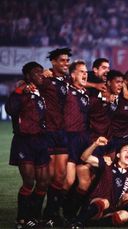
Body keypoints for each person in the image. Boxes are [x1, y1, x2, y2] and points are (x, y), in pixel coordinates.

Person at [6, 62, 49, 228]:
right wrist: (19, 91)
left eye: (41, 72)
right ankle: (21, 219)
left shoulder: (41, 92)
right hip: (24, 142)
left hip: (41, 141)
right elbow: (10, 109)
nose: (40, 75)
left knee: (44, 182)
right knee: (29, 182)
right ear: (28, 76)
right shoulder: (20, 92)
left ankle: (35, 217)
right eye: (36, 72)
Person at [70, 137, 128, 228]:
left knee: (125, 215)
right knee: (105, 202)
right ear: (118, 155)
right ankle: (78, 222)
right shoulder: (108, 165)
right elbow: (84, 158)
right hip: (95, 204)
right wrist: (95, 144)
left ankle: (92, 224)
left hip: (110, 211)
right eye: (126, 150)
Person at [40, 48, 72, 226]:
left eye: (67, 60)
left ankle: (52, 214)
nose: (66, 63)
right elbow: (26, 82)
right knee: (48, 177)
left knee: (60, 176)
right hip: (48, 132)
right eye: (62, 60)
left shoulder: (67, 80)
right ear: (53, 62)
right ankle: (37, 215)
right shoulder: (45, 79)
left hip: (63, 132)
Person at [61, 60, 90, 221]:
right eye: (81, 71)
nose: (85, 74)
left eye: (86, 72)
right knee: (69, 180)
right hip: (70, 139)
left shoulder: (85, 92)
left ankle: (70, 213)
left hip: (83, 140)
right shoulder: (66, 90)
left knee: (84, 181)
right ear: (72, 75)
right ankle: (54, 212)